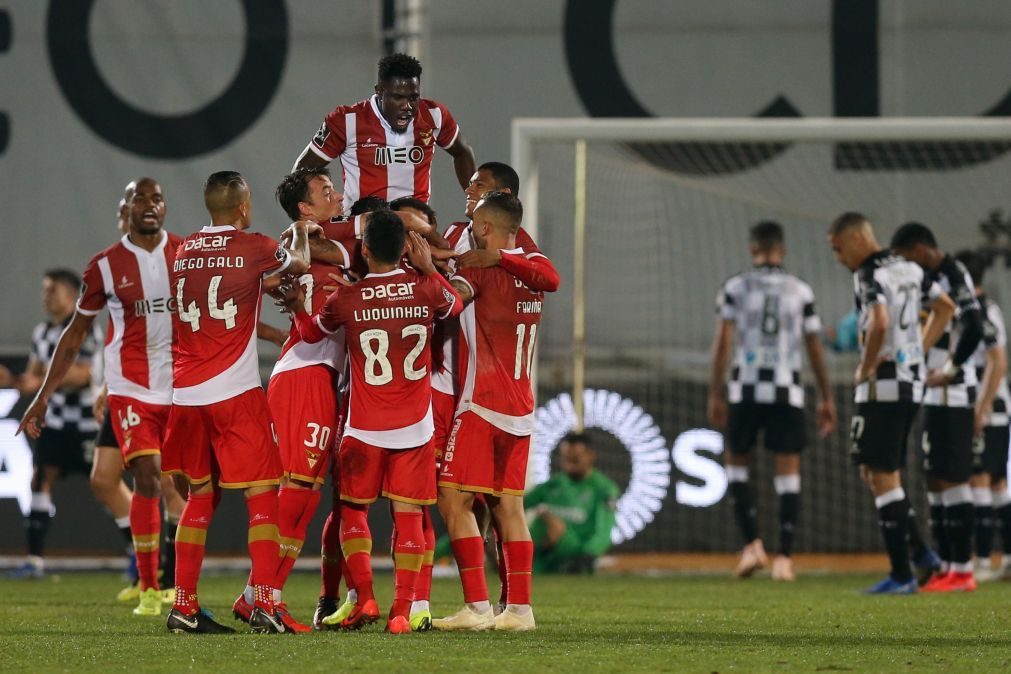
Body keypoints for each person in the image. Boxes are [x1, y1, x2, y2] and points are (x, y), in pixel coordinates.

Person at [283, 210, 462, 634]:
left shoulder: (347, 297)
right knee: (409, 516)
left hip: (362, 428)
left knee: (352, 512)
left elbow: (312, 334)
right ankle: (402, 612)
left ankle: (364, 598)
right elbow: (454, 305)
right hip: (415, 427)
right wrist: (426, 268)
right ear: (405, 248)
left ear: (363, 249)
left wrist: (294, 308)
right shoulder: (424, 290)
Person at [19, 178, 183, 616]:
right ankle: (152, 584)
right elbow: (74, 336)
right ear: (125, 209)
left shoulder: (185, 255)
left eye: (157, 198)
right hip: (130, 388)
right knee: (146, 477)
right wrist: (42, 397)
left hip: (181, 387)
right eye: (140, 199)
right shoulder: (105, 266)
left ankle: (170, 582)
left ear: (166, 208)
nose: (150, 206)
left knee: (174, 484)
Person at [162, 171, 313, 634]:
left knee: (200, 497)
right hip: (233, 390)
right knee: (262, 493)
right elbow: (301, 265)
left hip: (185, 394)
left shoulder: (183, 250)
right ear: (244, 208)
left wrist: (257, 287)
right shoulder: (256, 245)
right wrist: (304, 233)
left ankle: (182, 605)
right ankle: (265, 603)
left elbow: (224, 289)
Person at [232, 167, 356, 632]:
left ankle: (260, 595)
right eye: (326, 192)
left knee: (305, 495)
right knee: (294, 490)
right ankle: (263, 595)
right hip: (302, 374)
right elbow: (290, 297)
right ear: (306, 209)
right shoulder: (300, 247)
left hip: (320, 377)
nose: (337, 194)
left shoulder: (325, 246)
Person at [435, 192, 553, 632]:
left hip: (483, 403)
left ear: (485, 229)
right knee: (510, 507)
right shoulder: (533, 272)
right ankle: (520, 610)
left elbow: (449, 299)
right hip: (521, 405)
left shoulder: (482, 271)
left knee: (452, 497)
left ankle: (478, 607)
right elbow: (550, 277)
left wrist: (426, 273)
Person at [827, 212, 954, 594]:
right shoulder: (910, 269)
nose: (838, 258)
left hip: (882, 385)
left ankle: (902, 575)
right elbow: (945, 307)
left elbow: (879, 322)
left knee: (880, 474)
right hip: (909, 381)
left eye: (837, 249)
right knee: (878, 472)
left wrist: (864, 368)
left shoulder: (868, 274)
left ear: (855, 239)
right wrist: (914, 353)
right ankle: (923, 557)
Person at [708, 220, 837, 581]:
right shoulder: (800, 290)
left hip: (744, 388)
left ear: (753, 249)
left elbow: (722, 343)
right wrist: (827, 396)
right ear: (782, 250)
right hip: (787, 391)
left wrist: (714, 391)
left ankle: (752, 547)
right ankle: (784, 558)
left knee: (736, 465)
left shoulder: (735, 287)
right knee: (788, 474)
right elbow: (814, 346)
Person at [891, 223, 985, 592]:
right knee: (934, 480)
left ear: (920, 249)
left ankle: (962, 569)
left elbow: (974, 326)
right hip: (932, 393)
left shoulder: (952, 274)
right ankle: (948, 566)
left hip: (953, 393)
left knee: (954, 478)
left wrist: (950, 370)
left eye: (905, 256)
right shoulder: (927, 279)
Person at [8, 270, 102, 580]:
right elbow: (34, 376)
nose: (46, 296)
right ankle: (34, 560)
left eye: (53, 291)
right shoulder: (41, 332)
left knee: (106, 485)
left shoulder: (86, 329)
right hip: (55, 423)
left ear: (73, 296)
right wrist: (17, 381)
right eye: (44, 290)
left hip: (89, 422)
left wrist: (39, 380)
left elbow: (82, 375)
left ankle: (138, 555)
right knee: (39, 479)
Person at [293, 53, 476, 212]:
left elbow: (462, 152)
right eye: (398, 97)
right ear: (379, 91)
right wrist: (311, 216)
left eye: (414, 98)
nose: (407, 107)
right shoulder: (347, 121)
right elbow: (301, 172)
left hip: (415, 230)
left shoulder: (434, 115)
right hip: (361, 230)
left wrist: (475, 201)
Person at [953, 250, 1011, 581]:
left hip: (988, 407)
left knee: (981, 481)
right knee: (998, 484)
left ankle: (986, 561)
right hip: (997, 405)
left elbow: (998, 361)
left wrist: (982, 406)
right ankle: (1004, 559)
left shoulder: (982, 312)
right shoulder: (986, 309)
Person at [524, 432, 619, 574]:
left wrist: (587, 555)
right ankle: (513, 559)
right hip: (545, 553)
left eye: (575, 459)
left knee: (550, 519)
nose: (569, 464)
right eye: (565, 459)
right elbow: (518, 505)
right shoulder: (554, 484)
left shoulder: (603, 489)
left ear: (590, 456)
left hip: (578, 555)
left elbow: (604, 531)